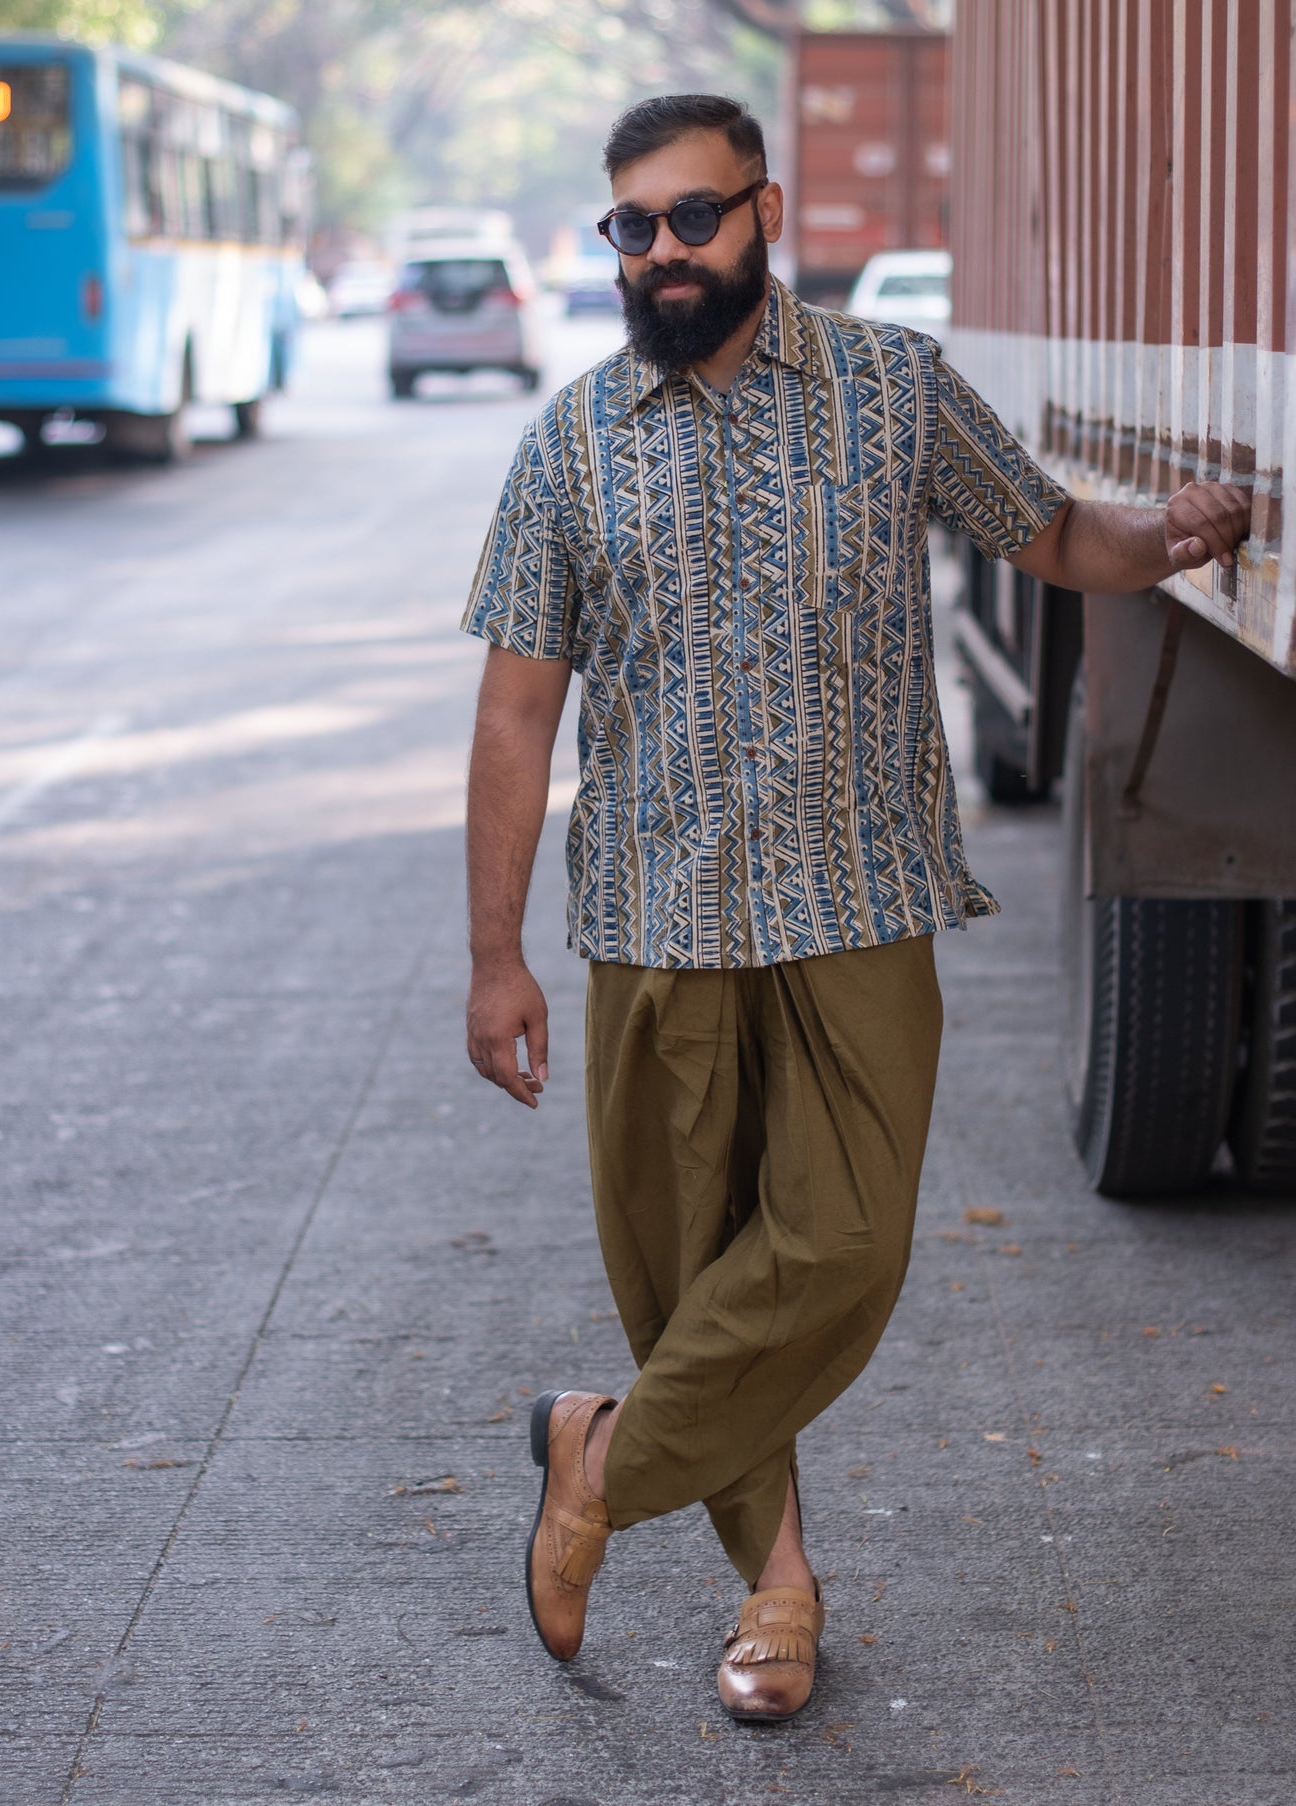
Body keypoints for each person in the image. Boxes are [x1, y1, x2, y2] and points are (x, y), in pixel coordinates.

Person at [461, 94, 1249, 1722]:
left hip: (859, 900)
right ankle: (779, 1595)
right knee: (693, 1289)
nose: (664, 252)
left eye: (693, 217)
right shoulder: (569, 441)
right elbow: (514, 712)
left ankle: (593, 1458)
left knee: (839, 1246)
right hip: (655, 915)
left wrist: (1164, 536)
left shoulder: (890, 389)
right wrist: (493, 954)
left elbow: (1048, 536)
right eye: (634, 228)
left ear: (763, 208)